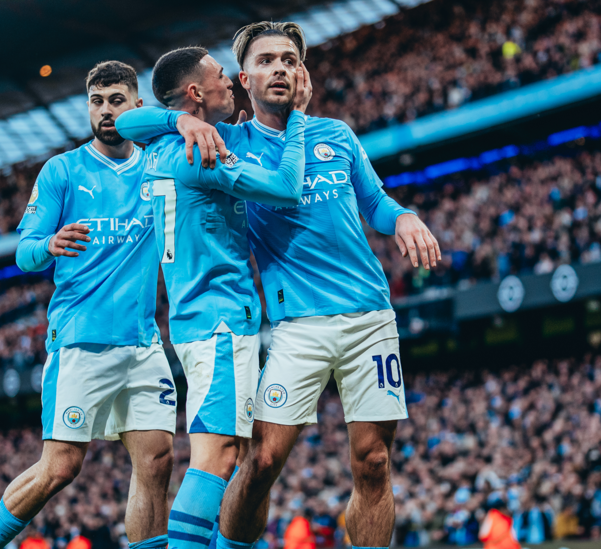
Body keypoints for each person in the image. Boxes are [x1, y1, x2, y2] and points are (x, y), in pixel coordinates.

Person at [116, 21, 440, 549]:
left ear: (302, 72)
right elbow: (129, 125)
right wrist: (178, 119)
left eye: (290, 59)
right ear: (244, 78)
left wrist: (402, 216)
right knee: (261, 459)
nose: (280, 68)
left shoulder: (336, 134)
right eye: (267, 60)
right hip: (295, 326)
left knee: (375, 462)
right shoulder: (228, 140)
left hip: (369, 317)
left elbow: (375, 203)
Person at [0, 61, 176, 549]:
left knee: (157, 460)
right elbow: (24, 252)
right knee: (60, 467)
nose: (106, 111)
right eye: (97, 101)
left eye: (117, 100)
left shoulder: (158, 165)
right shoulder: (62, 170)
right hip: (81, 341)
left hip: (143, 343)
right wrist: (50, 244)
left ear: (137, 107)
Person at [122, 46, 310, 549]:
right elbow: (288, 187)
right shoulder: (198, 153)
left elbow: (128, 123)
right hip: (220, 320)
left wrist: (176, 122)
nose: (229, 81)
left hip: (197, 318)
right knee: (219, 457)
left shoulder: (161, 145)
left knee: (234, 451)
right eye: (219, 75)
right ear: (194, 92)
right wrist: (298, 120)